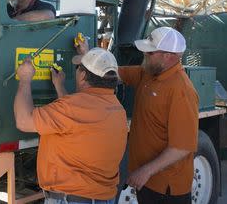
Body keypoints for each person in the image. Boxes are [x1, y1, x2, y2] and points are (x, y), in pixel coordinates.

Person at [78, 27, 199, 204]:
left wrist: (146, 171)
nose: (144, 55)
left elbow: (182, 147)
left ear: (168, 56)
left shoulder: (182, 91)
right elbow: (108, 73)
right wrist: (88, 55)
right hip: (147, 181)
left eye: (149, 53)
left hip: (167, 188)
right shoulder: (148, 73)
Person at [14, 48, 128, 204]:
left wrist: (25, 79)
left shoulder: (73, 108)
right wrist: (59, 86)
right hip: (102, 198)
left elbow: (23, 121)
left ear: (82, 76)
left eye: (78, 67)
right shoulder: (117, 109)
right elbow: (75, 120)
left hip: (72, 199)